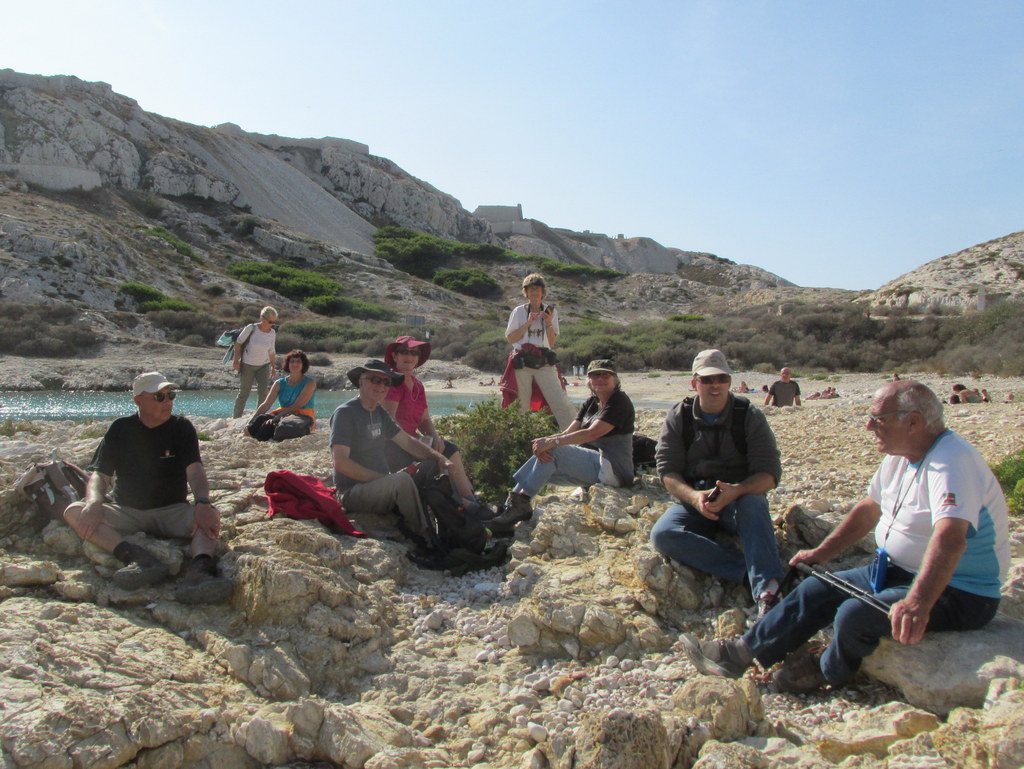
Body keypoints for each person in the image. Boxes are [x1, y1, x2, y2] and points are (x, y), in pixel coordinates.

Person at [681, 381, 1010, 695]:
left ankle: (826, 670)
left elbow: (951, 538)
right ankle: (741, 654)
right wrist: (822, 552)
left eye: (878, 419)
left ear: (913, 422)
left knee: (855, 616)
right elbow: (869, 510)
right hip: (894, 571)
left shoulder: (952, 462)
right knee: (815, 588)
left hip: (959, 590)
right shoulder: (900, 457)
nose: (869, 427)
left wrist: (918, 603)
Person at [63, 372, 232, 603]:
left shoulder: (181, 428)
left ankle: (200, 572)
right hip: (127, 510)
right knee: (74, 511)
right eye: (160, 397)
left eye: (170, 395)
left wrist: (203, 502)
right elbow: (100, 475)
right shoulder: (120, 429)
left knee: (209, 517)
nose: (168, 401)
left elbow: (195, 471)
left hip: (172, 510)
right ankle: (139, 559)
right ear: (138, 400)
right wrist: (93, 502)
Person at [650, 349, 785, 616]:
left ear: (729, 382)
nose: (715, 385)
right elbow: (667, 471)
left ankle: (769, 590)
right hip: (697, 501)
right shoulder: (679, 416)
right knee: (663, 534)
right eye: (707, 380)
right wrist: (694, 497)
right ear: (694, 383)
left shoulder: (749, 416)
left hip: (740, 500)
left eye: (721, 379)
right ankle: (747, 574)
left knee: (754, 505)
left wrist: (739, 491)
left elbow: (769, 473)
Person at [492, 359, 636, 529]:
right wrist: (542, 444)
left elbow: (592, 433)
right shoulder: (591, 402)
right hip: (595, 467)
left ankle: (518, 507)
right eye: (596, 375)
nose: (601, 379)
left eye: (606, 375)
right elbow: (568, 433)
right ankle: (509, 509)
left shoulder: (619, 401)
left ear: (615, 380)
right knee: (542, 460)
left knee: (554, 452)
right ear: (589, 380)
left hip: (613, 469)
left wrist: (552, 443)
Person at [329, 360, 453, 541]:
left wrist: (440, 458)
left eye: (386, 382)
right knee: (402, 480)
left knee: (429, 466)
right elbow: (341, 463)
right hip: (352, 492)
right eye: (375, 380)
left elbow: (406, 441)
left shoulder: (379, 411)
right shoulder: (345, 413)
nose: (382, 386)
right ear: (361, 381)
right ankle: (425, 537)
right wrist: (384, 479)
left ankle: (457, 522)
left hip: (380, 485)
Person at [382, 335, 477, 505]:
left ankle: (469, 498)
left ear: (418, 358)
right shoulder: (391, 382)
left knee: (448, 448)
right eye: (403, 351)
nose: (409, 356)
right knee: (436, 460)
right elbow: (390, 425)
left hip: (411, 441)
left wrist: (435, 436)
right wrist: (420, 445)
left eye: (414, 352)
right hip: (393, 445)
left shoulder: (418, 385)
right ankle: (464, 502)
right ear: (395, 356)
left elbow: (424, 419)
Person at [502, 273, 576, 429]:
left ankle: (573, 435)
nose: (534, 293)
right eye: (530, 290)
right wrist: (528, 323)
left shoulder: (550, 312)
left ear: (543, 292)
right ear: (526, 292)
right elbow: (511, 338)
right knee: (521, 404)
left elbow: (552, 342)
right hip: (522, 361)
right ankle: (518, 437)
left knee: (559, 399)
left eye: (537, 290)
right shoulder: (519, 312)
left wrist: (548, 323)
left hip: (543, 360)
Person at [251, 349, 317, 441]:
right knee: (260, 420)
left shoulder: (310, 382)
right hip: (283, 414)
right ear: (287, 364)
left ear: (303, 365)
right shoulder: (279, 383)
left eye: (298, 362)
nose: (295, 364)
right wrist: (251, 421)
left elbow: (298, 405)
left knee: (271, 427)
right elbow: (266, 404)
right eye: (292, 361)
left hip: (301, 416)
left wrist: (277, 417)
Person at [233, 306, 279, 418]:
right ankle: (236, 418)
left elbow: (271, 351)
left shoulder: (272, 332)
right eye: (269, 321)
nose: (271, 324)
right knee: (244, 393)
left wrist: (273, 367)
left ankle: (258, 418)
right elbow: (238, 343)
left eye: (273, 322)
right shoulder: (251, 328)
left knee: (264, 393)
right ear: (262, 318)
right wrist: (236, 360)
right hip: (247, 364)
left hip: (264, 365)